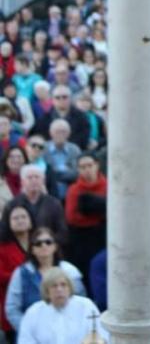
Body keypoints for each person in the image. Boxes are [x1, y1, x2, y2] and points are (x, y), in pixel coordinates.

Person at [5, 227, 86, 332]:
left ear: (55, 246)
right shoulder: (21, 273)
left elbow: (80, 303)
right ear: (32, 249)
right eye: (38, 243)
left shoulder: (70, 271)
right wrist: (28, 330)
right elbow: (12, 308)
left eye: (48, 242)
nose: (44, 246)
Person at [16, 266, 107, 342]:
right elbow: (25, 340)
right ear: (46, 291)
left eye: (63, 285)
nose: (59, 289)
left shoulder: (85, 306)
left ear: (70, 287)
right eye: (54, 286)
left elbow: (101, 336)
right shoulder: (33, 312)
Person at [63, 153, 106, 285]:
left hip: (103, 237)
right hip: (81, 241)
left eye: (90, 165)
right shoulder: (74, 190)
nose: (87, 170)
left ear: (97, 165)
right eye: (82, 167)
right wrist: (99, 214)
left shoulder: (108, 186)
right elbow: (71, 217)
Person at [9, 166, 67, 245]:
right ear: (22, 182)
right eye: (29, 178)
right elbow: (6, 231)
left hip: (47, 248)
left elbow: (62, 233)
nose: (34, 180)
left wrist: (45, 242)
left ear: (43, 181)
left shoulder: (54, 204)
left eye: (37, 177)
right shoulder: (13, 204)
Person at [0, 205, 32, 338]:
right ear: (8, 222)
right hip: (13, 303)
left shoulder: (41, 241)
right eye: (15, 218)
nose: (20, 221)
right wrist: (24, 275)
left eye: (24, 217)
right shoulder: (2, 247)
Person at [41, 120, 81, 200]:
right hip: (49, 194)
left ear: (69, 134)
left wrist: (55, 175)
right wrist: (66, 174)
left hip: (70, 194)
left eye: (63, 132)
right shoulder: (43, 149)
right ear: (51, 133)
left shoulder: (75, 149)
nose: (60, 135)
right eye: (57, 132)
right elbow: (43, 173)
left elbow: (77, 173)